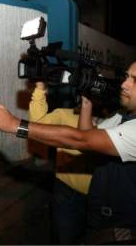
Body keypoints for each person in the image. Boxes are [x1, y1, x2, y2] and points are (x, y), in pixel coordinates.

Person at [0, 61, 136, 244]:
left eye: (134, 80)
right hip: (88, 205)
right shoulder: (122, 118)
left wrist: (15, 125)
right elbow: (85, 138)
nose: (123, 84)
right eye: (125, 77)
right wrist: (86, 98)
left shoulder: (126, 123)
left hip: (121, 226)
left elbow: (79, 140)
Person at [29, 81, 93, 244]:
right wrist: (40, 88)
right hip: (66, 191)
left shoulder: (120, 122)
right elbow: (38, 124)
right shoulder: (66, 114)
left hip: (101, 196)